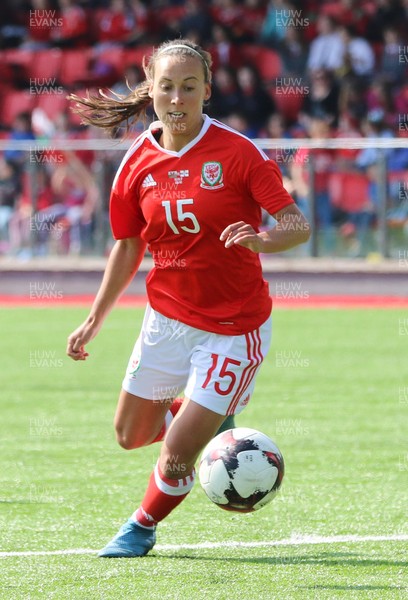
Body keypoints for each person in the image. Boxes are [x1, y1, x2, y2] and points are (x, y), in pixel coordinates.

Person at [66, 39, 310, 558]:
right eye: (167, 87)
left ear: (208, 89)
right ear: (151, 88)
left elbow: (297, 224)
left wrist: (263, 239)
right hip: (168, 320)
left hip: (234, 328)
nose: (177, 98)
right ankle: (205, 415)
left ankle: (140, 527)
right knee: (131, 436)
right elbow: (129, 246)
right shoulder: (135, 164)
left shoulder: (240, 153)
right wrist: (93, 319)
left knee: (176, 452)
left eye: (189, 87)